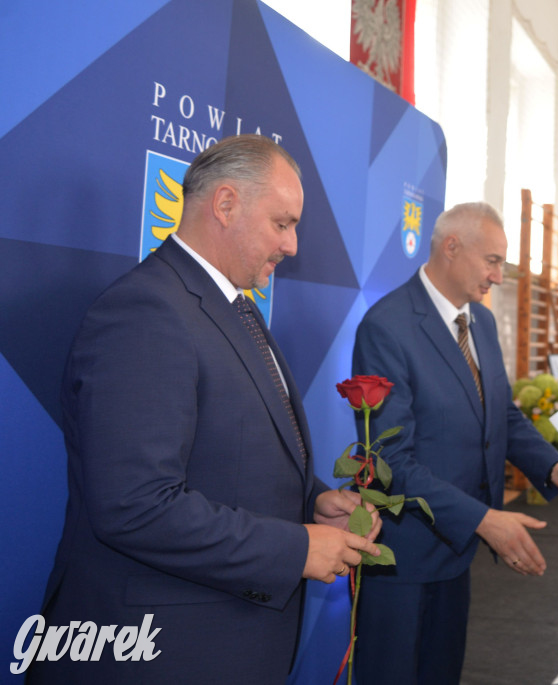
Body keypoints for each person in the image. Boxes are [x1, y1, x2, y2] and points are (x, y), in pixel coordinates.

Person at [30, 135, 381, 684]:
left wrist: (314, 502)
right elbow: (135, 506)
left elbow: (232, 455)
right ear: (224, 205)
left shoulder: (231, 307)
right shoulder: (146, 311)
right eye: (282, 223)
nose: (292, 245)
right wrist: (295, 549)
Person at [350, 201, 558, 684]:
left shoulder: (480, 323)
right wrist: (485, 520)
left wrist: (552, 468)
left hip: (457, 549)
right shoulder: (386, 327)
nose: (499, 277)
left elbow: (500, 415)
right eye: (492, 261)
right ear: (452, 247)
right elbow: (388, 461)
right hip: (403, 558)